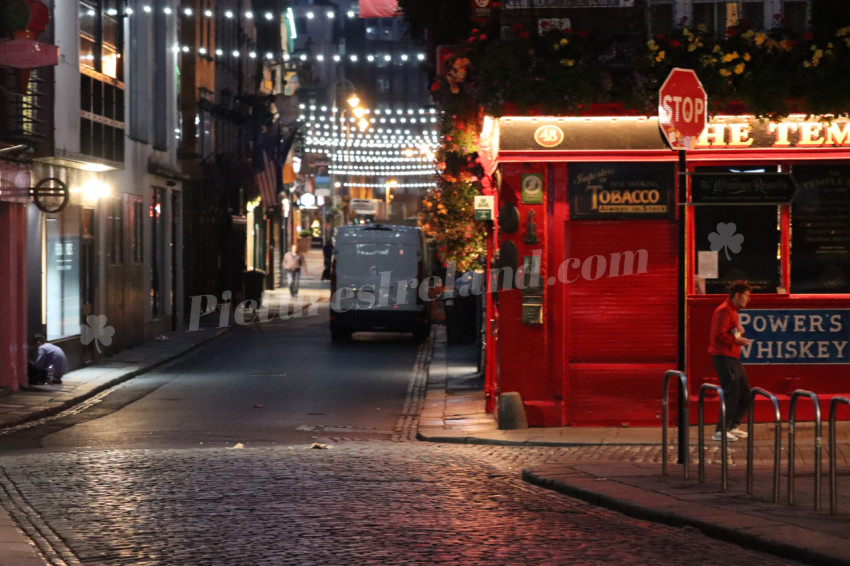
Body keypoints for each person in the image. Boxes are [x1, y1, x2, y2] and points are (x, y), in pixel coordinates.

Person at [708, 280, 752, 442]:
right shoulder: (724, 311)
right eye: (746, 295)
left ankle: (733, 426)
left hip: (732, 356)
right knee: (731, 392)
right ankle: (720, 430)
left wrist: (737, 331)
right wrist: (737, 340)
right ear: (737, 295)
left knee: (744, 392)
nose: (748, 299)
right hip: (724, 357)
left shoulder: (732, 311)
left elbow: (727, 331)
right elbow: (719, 336)